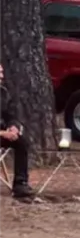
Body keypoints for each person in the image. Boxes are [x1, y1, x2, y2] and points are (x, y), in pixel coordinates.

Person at [2, 60, 30, 202]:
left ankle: (20, 184)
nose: (1, 77)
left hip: (2, 133)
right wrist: (3, 133)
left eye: (1, 73)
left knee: (21, 142)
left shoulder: (3, 93)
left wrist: (13, 127)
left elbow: (10, 114)